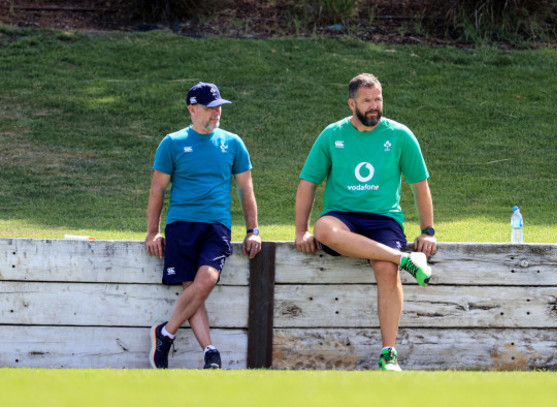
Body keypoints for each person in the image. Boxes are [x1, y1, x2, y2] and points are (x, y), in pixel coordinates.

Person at [294, 73, 437, 371]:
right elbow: (308, 183)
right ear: (351, 103)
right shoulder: (332, 135)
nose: (374, 106)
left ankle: (389, 354)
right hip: (342, 218)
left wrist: (428, 232)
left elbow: (420, 186)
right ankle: (405, 259)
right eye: (367, 101)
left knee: (386, 269)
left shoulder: (399, 135)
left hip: (384, 219)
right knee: (323, 229)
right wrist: (300, 231)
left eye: (378, 99)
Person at [145, 82, 262, 369]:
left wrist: (253, 230)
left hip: (217, 226)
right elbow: (157, 190)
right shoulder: (171, 143)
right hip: (181, 224)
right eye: (210, 108)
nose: (216, 113)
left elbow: (246, 189)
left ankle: (165, 332)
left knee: (207, 279)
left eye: (218, 107)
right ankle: (210, 351)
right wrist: (153, 231)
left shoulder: (233, 142)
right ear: (192, 109)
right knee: (192, 287)